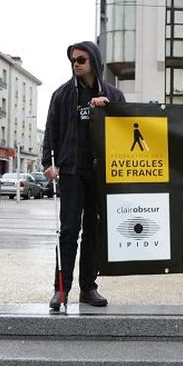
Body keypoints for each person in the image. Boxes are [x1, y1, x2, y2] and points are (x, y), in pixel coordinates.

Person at [42, 41, 126, 309]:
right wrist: (48, 163)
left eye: (81, 60)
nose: (75, 64)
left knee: (94, 231)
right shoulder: (62, 95)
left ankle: (88, 288)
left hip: (100, 173)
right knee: (68, 230)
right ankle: (61, 289)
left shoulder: (113, 94)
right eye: (73, 60)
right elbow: (51, 131)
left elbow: (125, 125)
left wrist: (109, 108)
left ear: (94, 62)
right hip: (71, 171)